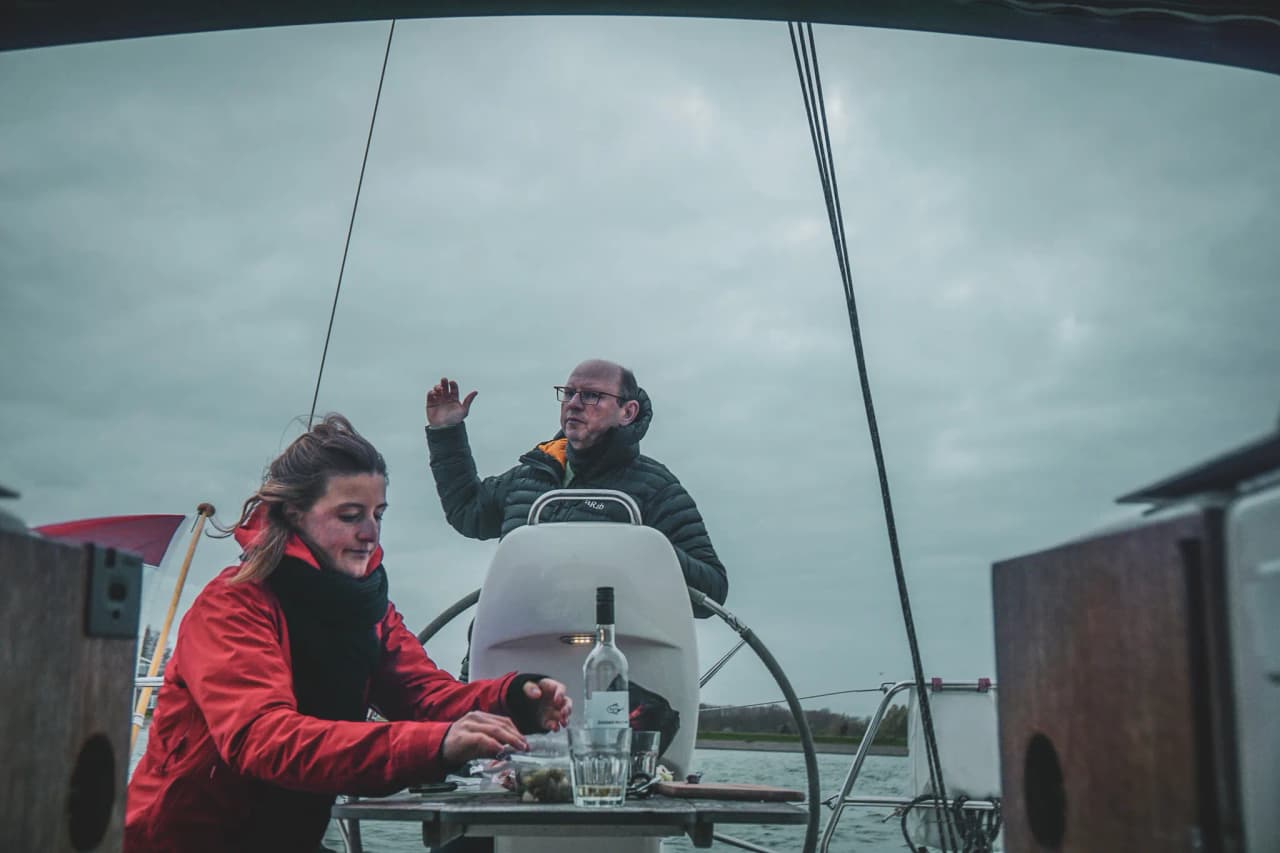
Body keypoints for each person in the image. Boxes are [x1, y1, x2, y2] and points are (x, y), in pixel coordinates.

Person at [125, 415, 570, 853]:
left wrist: (512, 698)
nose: (370, 533)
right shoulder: (233, 604)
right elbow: (264, 738)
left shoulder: (368, 607)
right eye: (350, 515)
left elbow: (423, 695)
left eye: (378, 514)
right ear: (294, 513)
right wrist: (438, 743)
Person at [424, 359, 728, 616]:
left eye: (591, 396)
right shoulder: (531, 475)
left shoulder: (656, 488)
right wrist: (447, 433)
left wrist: (645, 546)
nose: (574, 404)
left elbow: (711, 592)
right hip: (511, 654)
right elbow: (468, 511)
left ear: (628, 412)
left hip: (614, 665)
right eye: (568, 393)